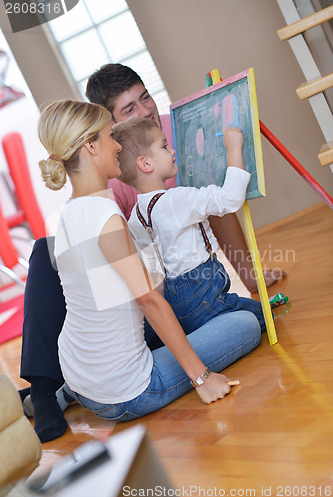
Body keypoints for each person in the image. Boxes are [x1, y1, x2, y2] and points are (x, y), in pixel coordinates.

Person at [19, 63, 283, 442]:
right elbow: (150, 301)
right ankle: (82, 390)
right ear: (92, 147)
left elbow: (111, 299)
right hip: (128, 392)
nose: (118, 144)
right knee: (243, 326)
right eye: (111, 136)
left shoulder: (64, 216)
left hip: (80, 373)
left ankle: (67, 391)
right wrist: (202, 378)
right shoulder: (109, 215)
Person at [112, 117, 266, 335]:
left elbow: (153, 269)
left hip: (178, 306)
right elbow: (229, 199)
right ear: (145, 164)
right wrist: (233, 148)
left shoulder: (136, 217)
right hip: (206, 297)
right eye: (164, 146)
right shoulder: (177, 199)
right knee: (265, 316)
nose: (173, 151)